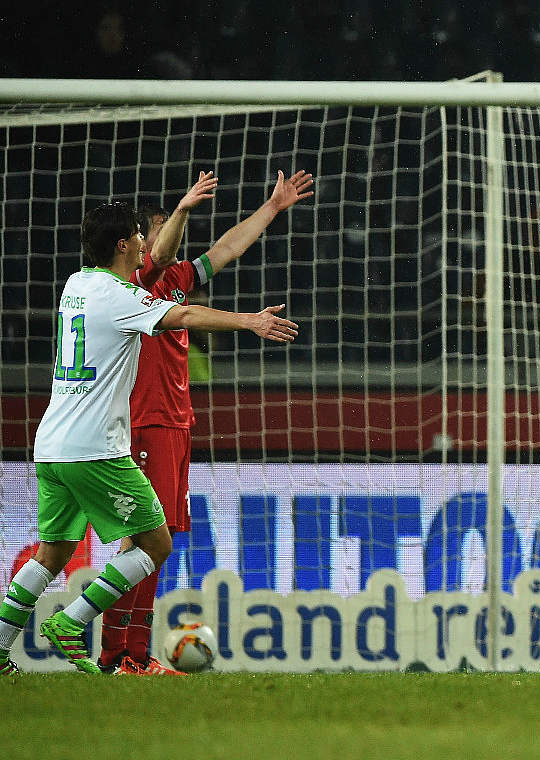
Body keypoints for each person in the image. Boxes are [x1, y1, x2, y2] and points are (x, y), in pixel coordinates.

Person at [0, 201, 298, 674]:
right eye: (140, 234)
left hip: (53, 445)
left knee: (52, 552)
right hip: (100, 445)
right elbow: (182, 316)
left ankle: (0, 649)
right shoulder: (127, 295)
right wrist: (249, 321)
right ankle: (82, 628)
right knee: (153, 545)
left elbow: (212, 255)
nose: (146, 242)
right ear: (126, 245)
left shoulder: (77, 284)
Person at [97, 169, 315, 675]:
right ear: (137, 244)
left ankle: (130, 655)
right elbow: (159, 253)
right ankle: (119, 655)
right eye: (159, 228)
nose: (172, 236)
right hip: (146, 422)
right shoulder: (138, 281)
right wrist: (182, 209)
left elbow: (226, 249)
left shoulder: (176, 280)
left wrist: (272, 208)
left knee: (156, 541)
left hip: (175, 424)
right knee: (142, 540)